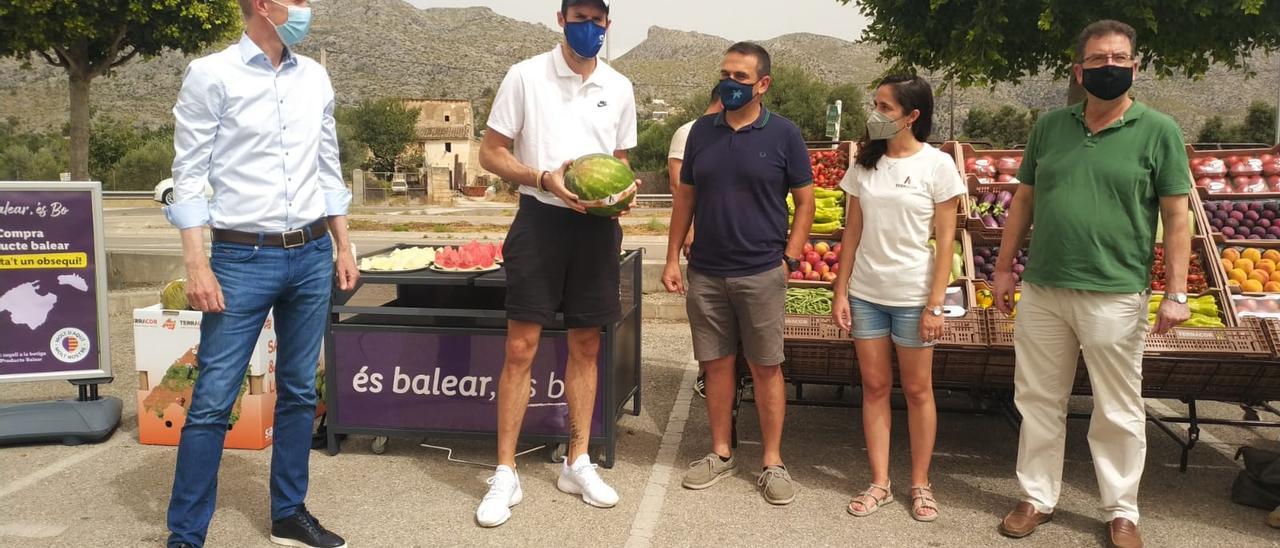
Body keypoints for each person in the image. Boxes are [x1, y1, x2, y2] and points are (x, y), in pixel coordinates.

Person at [163, 1, 358, 547]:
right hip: (240, 258)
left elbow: (328, 166)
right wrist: (196, 264)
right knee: (213, 399)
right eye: (296, 0)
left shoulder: (314, 77)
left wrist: (344, 245)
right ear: (262, 5)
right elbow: (188, 173)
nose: (305, 8)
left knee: (298, 392)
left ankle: (288, 514)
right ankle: (186, 534)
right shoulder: (211, 74)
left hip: (312, 255)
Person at [994, 20, 1191, 548]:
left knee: (1118, 407)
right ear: (1079, 71)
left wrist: (1176, 293)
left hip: (1116, 292)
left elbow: (1177, 216)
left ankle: (1121, 510)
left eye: (1120, 58)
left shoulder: (1160, 131)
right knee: (1038, 398)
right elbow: (1025, 200)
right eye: (1099, 59)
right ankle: (1036, 497)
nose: (1110, 67)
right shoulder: (1049, 127)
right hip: (1044, 289)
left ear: (1136, 67)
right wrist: (1003, 267)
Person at [474, 0, 637, 528]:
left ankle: (577, 462)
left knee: (586, 345)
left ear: (608, 23)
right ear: (561, 19)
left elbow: (619, 161)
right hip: (540, 221)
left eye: (597, 19)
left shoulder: (620, 86)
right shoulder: (524, 76)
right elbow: (490, 153)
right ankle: (505, 472)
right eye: (578, 17)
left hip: (596, 230)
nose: (589, 27)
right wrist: (543, 178)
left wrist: (623, 193)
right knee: (520, 347)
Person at [663, 41, 816, 506]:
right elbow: (685, 199)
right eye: (725, 74)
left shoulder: (784, 134)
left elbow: (806, 202)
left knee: (767, 367)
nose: (730, 83)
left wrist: (789, 259)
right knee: (716, 365)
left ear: (763, 84)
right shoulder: (700, 133)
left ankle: (772, 461)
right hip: (706, 272)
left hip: (762, 272)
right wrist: (671, 258)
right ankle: (720, 452)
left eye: (741, 77)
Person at [830, 75, 964, 522]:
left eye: (885, 107)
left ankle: (921, 484)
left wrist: (934, 305)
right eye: (876, 104)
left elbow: (945, 242)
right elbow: (852, 232)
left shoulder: (937, 166)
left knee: (919, 390)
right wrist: (841, 290)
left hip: (913, 297)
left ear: (912, 116)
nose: (876, 114)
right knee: (874, 388)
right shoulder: (864, 165)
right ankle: (880, 483)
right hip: (866, 295)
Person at [667, 85, 723, 398]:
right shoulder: (688, 132)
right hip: (700, 235)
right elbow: (679, 188)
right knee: (705, 313)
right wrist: (689, 231)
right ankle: (705, 372)